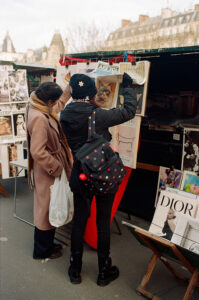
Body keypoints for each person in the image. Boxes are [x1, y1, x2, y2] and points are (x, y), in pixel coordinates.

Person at [60, 73, 137, 286]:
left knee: (79, 221)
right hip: (103, 174)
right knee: (103, 223)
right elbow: (129, 111)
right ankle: (104, 271)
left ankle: (75, 270)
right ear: (90, 94)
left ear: (73, 92)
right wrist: (128, 88)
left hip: (80, 173)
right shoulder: (98, 115)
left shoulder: (64, 115)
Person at [26, 82, 73, 259]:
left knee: (48, 208)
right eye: (54, 102)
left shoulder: (40, 106)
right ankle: (41, 251)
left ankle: (46, 246)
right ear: (49, 101)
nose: (56, 105)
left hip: (49, 168)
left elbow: (57, 105)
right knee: (46, 210)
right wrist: (57, 167)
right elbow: (37, 151)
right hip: (49, 169)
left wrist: (69, 89)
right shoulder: (39, 117)